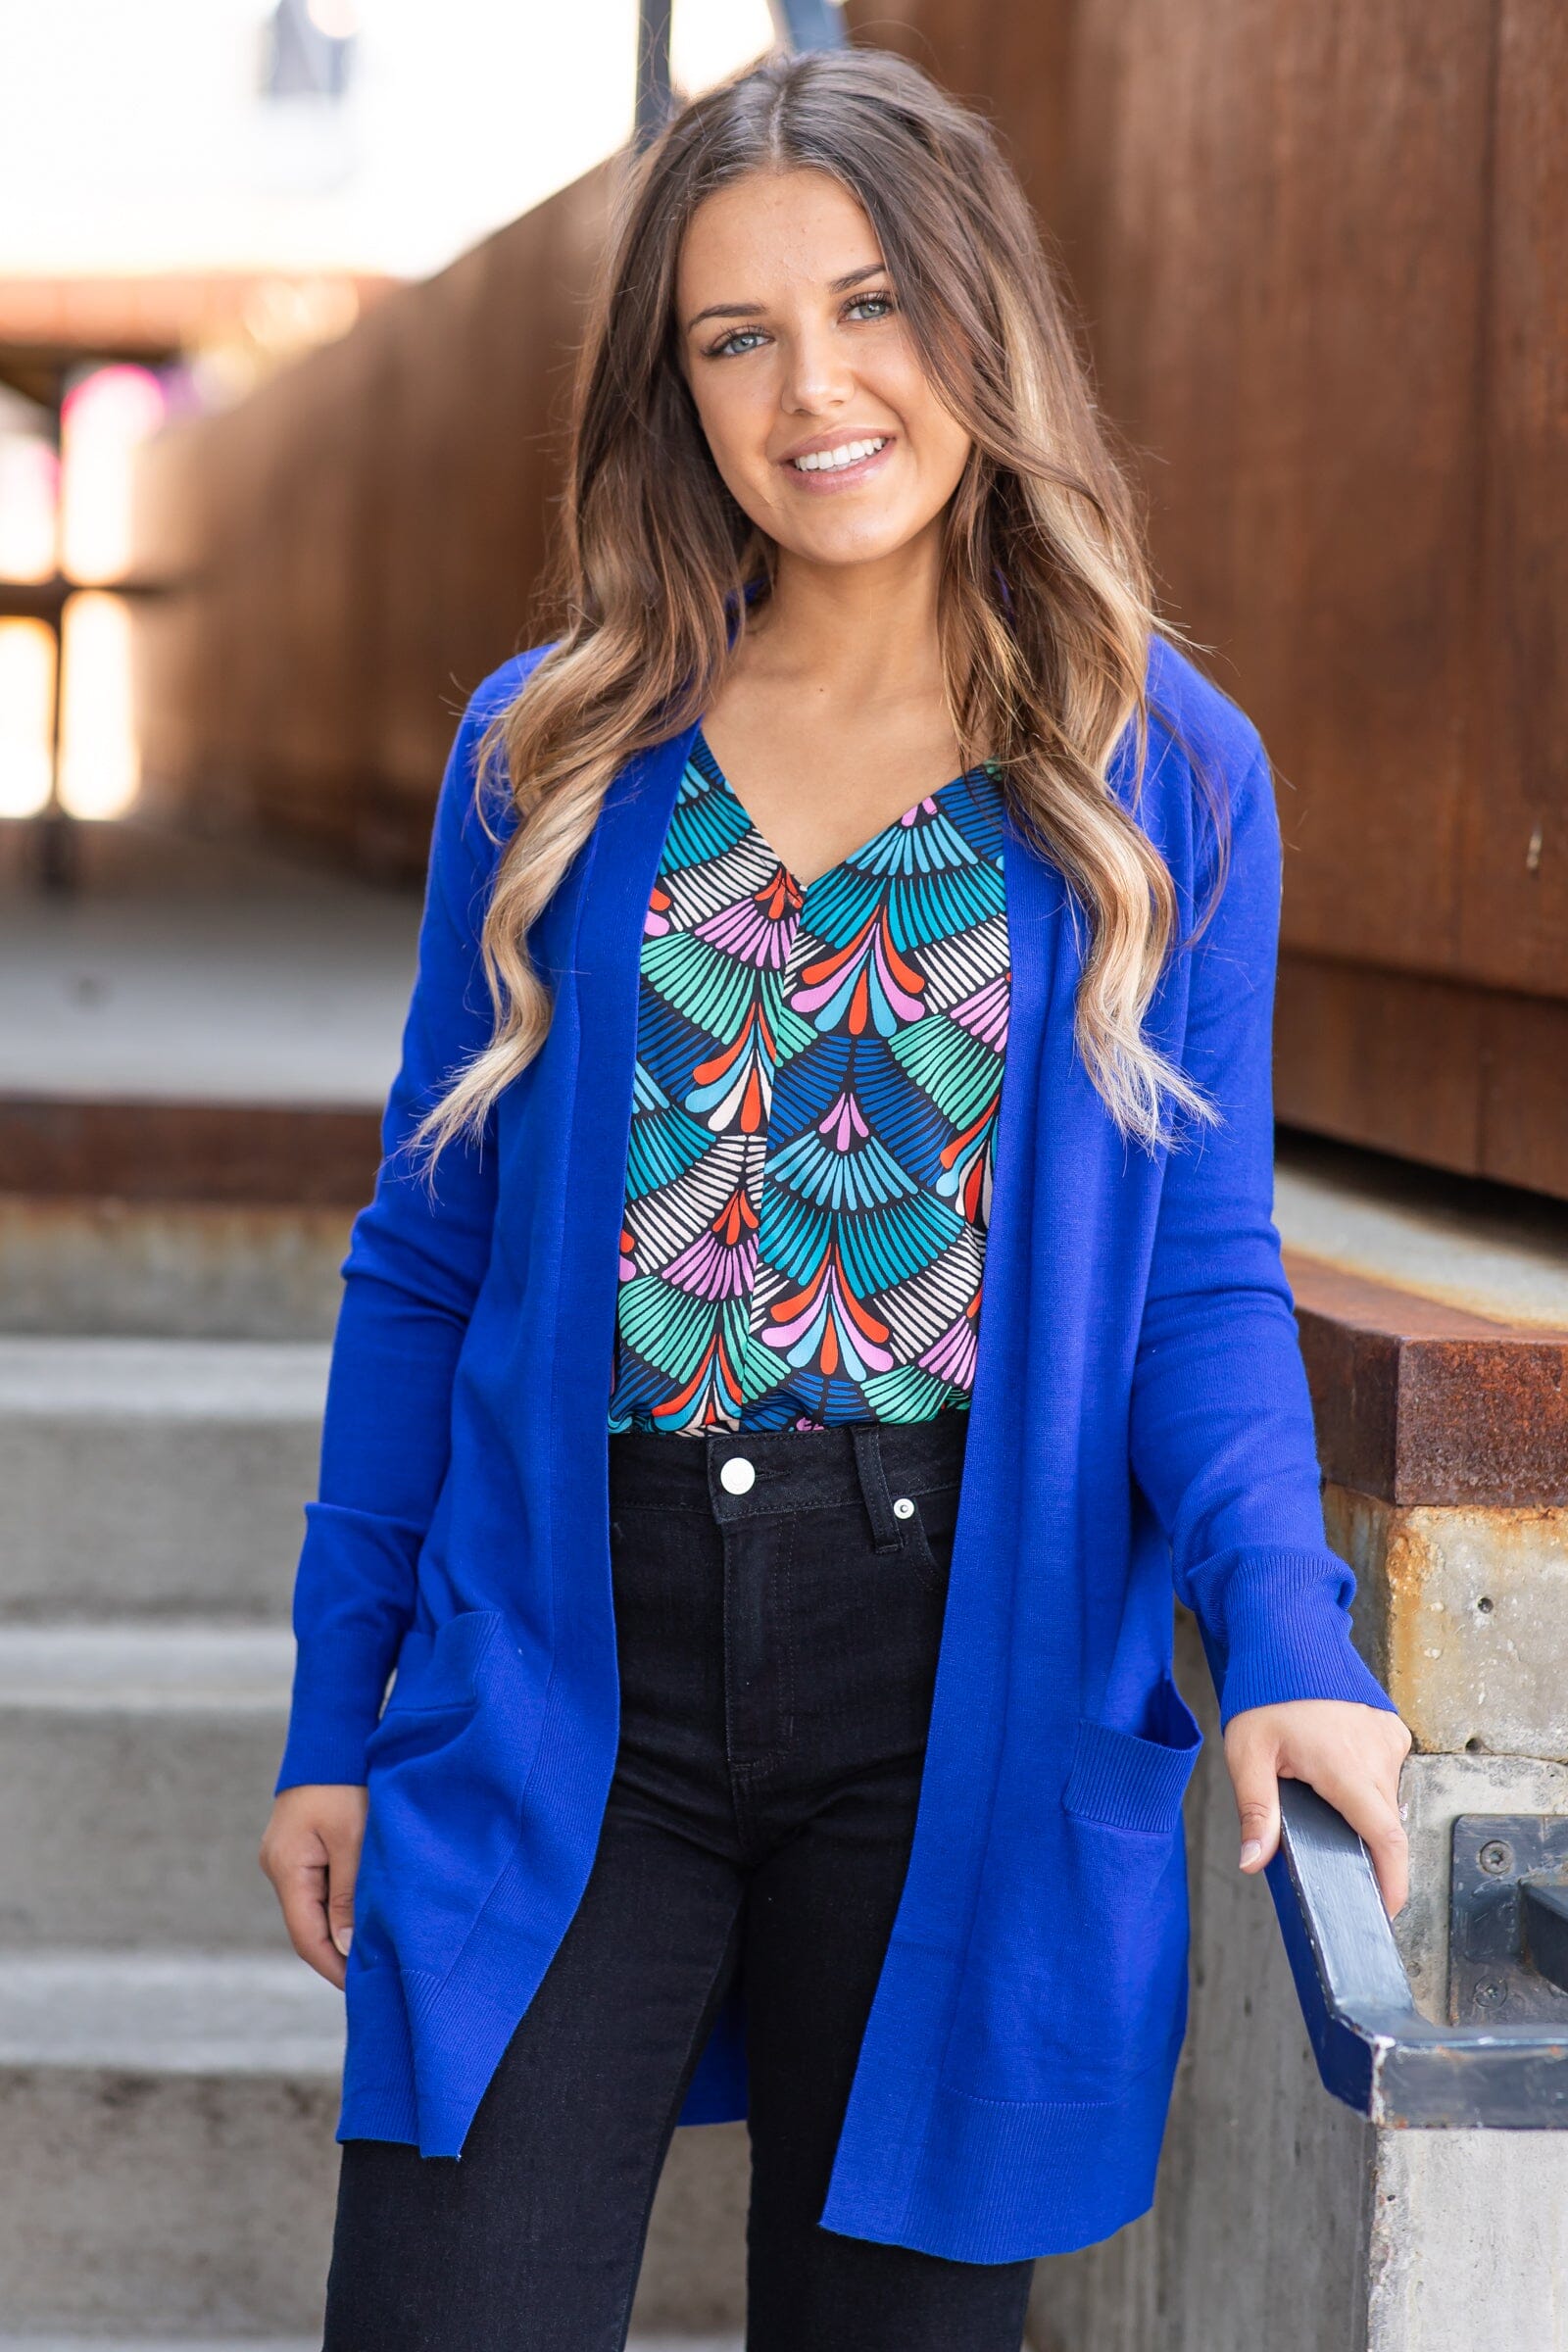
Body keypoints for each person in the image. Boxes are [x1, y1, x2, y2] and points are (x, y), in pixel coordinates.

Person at [259, 43, 1412, 2352]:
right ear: (668, 388)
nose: (814, 388)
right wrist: (332, 1700)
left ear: (978, 319)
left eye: (871, 303)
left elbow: (1195, 1276)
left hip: (947, 1681)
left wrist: (1285, 1632)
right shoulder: (556, 744)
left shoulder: (1154, 766)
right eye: (734, 334)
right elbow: (425, 1258)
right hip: (567, 1650)